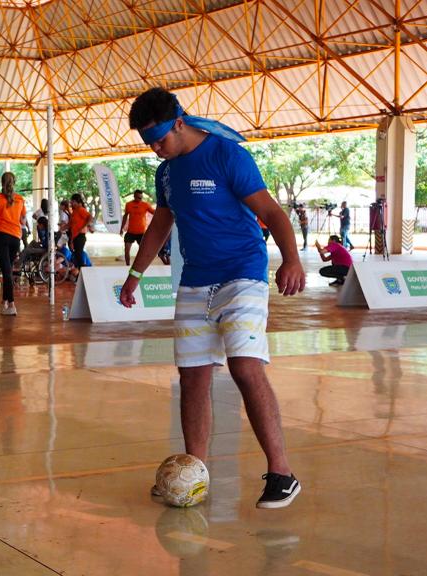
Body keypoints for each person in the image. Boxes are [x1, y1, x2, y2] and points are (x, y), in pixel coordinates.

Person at [120, 87, 305, 509]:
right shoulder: (165, 172)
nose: (155, 149)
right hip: (194, 281)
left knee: (244, 366)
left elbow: (273, 212)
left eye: (160, 139)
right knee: (192, 376)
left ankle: (282, 472)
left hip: (242, 274)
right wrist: (134, 275)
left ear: (180, 123)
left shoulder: (227, 155)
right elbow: (161, 225)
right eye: (147, 143)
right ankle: (194, 472)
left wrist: (291, 260)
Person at [0, 172, 27, 316]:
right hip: (15, 237)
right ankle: (4, 301)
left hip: (1, 236)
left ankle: (11, 303)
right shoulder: (20, 199)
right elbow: (23, 221)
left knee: (6, 271)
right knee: (7, 270)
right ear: (14, 182)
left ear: (1, 182)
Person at [121, 189, 154, 266]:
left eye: (141, 198)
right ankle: (127, 265)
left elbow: (155, 213)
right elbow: (125, 217)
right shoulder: (128, 204)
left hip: (141, 233)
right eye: (138, 198)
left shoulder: (145, 205)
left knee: (143, 251)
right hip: (130, 232)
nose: (140, 199)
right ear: (134, 196)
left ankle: (141, 266)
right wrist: (121, 228)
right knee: (126, 251)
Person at [68, 193, 92, 280]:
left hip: (80, 236)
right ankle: (81, 274)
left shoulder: (81, 209)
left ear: (78, 202)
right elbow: (70, 224)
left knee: (78, 254)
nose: (72, 203)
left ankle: (84, 273)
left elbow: (90, 217)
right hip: (75, 236)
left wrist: (84, 226)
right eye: (71, 201)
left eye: (73, 201)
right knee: (76, 255)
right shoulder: (74, 211)